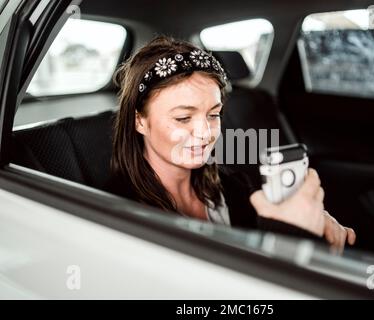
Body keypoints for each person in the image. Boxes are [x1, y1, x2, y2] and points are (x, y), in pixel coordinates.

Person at [108, 35, 356, 251]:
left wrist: (311, 220)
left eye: (213, 115)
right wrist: (290, 237)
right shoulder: (117, 212)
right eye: (183, 118)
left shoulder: (233, 186)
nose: (205, 134)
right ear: (139, 121)